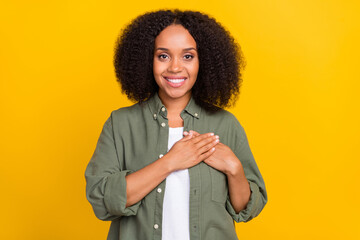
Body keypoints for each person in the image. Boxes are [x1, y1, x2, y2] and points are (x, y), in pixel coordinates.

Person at [85, 9, 267, 240]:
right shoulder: (120, 124)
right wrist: (170, 162)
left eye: (188, 56)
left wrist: (234, 168)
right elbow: (102, 200)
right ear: (147, 60)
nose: (175, 67)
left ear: (204, 61)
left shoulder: (225, 125)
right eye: (163, 56)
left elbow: (245, 209)